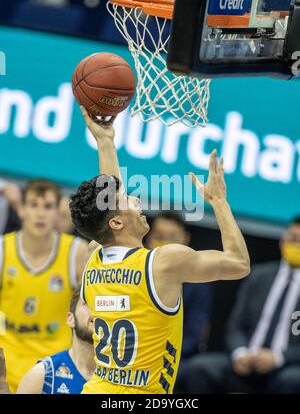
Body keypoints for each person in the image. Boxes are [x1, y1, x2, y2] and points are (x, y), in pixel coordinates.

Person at [69, 106, 250, 394]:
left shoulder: (94, 257)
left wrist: (105, 142)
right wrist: (219, 202)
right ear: (116, 222)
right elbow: (239, 263)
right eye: (128, 199)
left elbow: (108, 206)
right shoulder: (162, 262)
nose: (136, 201)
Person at [183, 216, 300, 394]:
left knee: (291, 380)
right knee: (198, 368)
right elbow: (235, 326)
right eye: (293, 239)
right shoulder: (258, 276)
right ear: (283, 240)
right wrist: (240, 352)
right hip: (246, 362)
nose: (296, 245)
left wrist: (278, 357)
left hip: (285, 368)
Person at [0, 179, 89, 393]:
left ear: (58, 212)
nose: (40, 213)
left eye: (48, 206)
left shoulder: (77, 253)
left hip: (57, 370)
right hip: (6, 361)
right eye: (34, 205)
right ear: (21, 209)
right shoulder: (3, 249)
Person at [146, 212, 211, 392]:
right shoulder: (134, 269)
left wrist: (160, 353)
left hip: (175, 356)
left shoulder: (198, 281)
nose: (164, 244)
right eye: (159, 237)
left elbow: (194, 335)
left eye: (171, 239)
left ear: (185, 240)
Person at [17, 289, 95, 394]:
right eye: (88, 303)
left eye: (100, 304)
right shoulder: (43, 375)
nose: (96, 310)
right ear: (70, 319)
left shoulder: (119, 375)